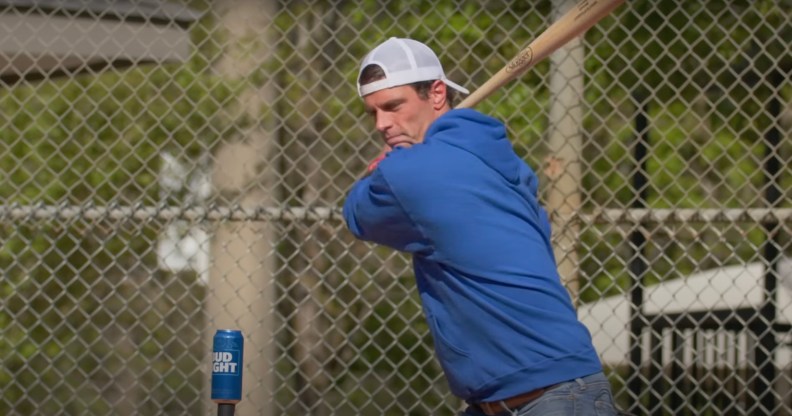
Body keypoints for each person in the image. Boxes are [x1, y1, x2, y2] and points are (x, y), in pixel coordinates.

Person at [343, 37, 618, 416]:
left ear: (437, 93)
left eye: (393, 107)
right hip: (542, 389)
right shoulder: (493, 155)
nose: (382, 124)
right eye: (373, 112)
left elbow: (357, 214)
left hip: (548, 399)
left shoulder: (412, 174)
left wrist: (386, 166)